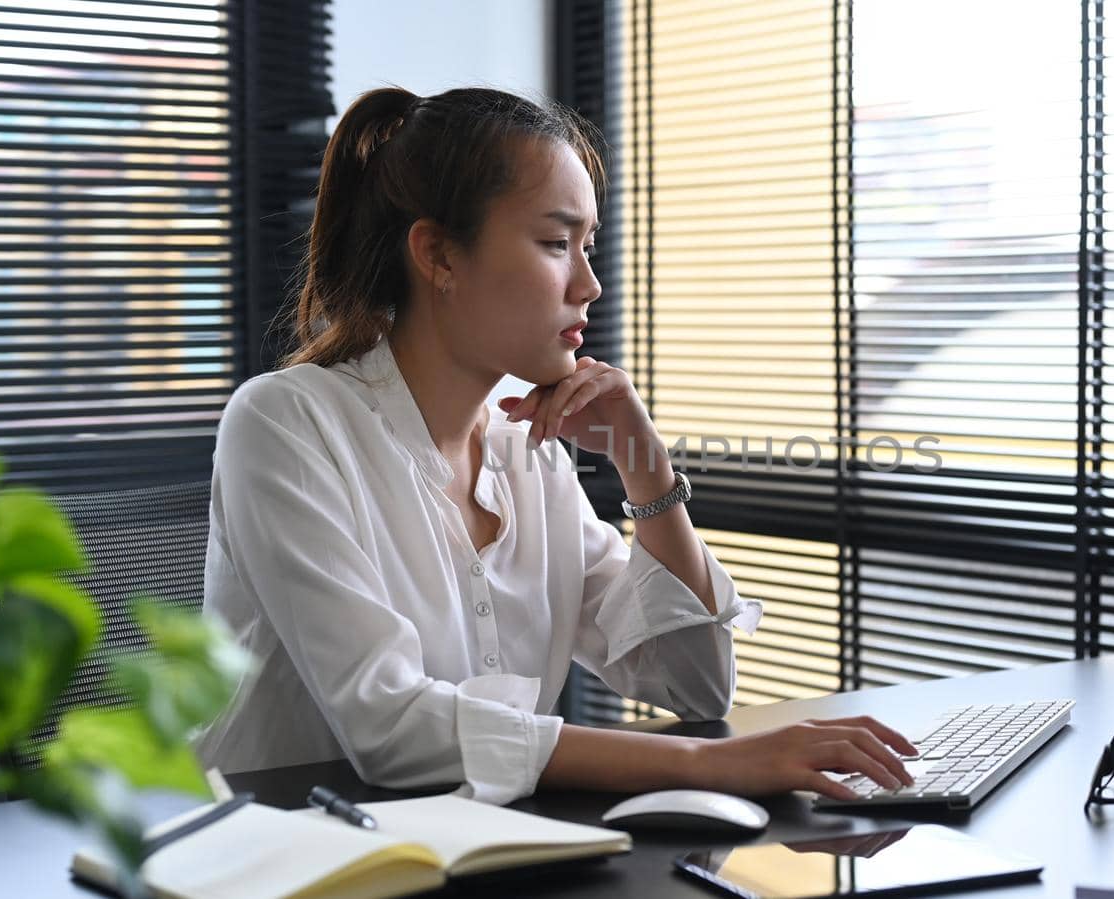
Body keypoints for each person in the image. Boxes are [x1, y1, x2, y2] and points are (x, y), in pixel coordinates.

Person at [195, 86, 915, 805]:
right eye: (554, 243)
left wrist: (644, 462)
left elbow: (693, 683)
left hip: (485, 853)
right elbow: (390, 727)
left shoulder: (527, 451)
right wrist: (705, 764)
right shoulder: (286, 425)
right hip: (288, 862)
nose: (590, 284)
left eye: (587, 245)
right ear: (439, 254)